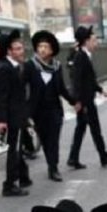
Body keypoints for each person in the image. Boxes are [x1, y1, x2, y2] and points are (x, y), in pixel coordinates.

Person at [22, 30, 79, 182]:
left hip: (54, 109)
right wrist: (24, 109)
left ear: (52, 50)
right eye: (40, 46)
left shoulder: (57, 67)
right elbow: (21, 87)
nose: (42, 50)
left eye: (46, 47)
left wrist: (74, 101)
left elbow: (61, 88)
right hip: (37, 111)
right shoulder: (29, 66)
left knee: (53, 140)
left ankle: (53, 168)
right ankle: (51, 163)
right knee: (45, 140)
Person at [67, 26, 107, 169]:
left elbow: (89, 80)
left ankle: (73, 158)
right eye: (94, 40)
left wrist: (101, 90)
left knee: (81, 129)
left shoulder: (83, 55)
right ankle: (104, 157)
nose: (96, 43)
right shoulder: (81, 57)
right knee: (95, 129)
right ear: (86, 41)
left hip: (86, 99)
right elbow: (77, 81)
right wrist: (78, 101)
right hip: (85, 101)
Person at [0, 30, 30, 196]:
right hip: (11, 117)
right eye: (17, 49)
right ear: (9, 51)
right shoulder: (4, 68)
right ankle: (10, 185)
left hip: (17, 115)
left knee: (17, 149)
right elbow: (2, 96)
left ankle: (22, 177)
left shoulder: (13, 67)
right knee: (14, 151)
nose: (22, 51)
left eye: (21, 48)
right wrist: (1, 119)